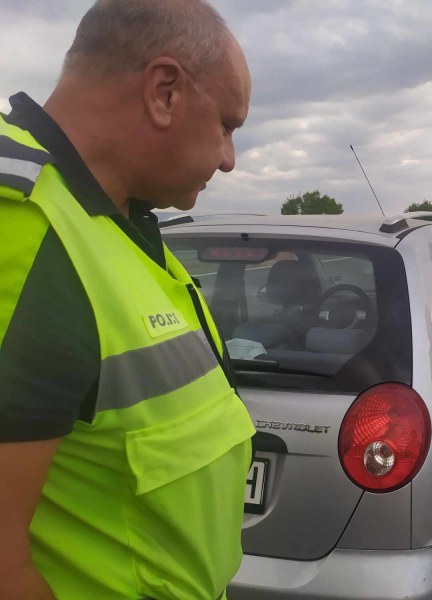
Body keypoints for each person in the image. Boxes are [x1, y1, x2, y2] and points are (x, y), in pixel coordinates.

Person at [0, 1, 255, 598]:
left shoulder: (114, 222)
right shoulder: (24, 230)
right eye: (227, 124)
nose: (228, 158)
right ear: (164, 91)